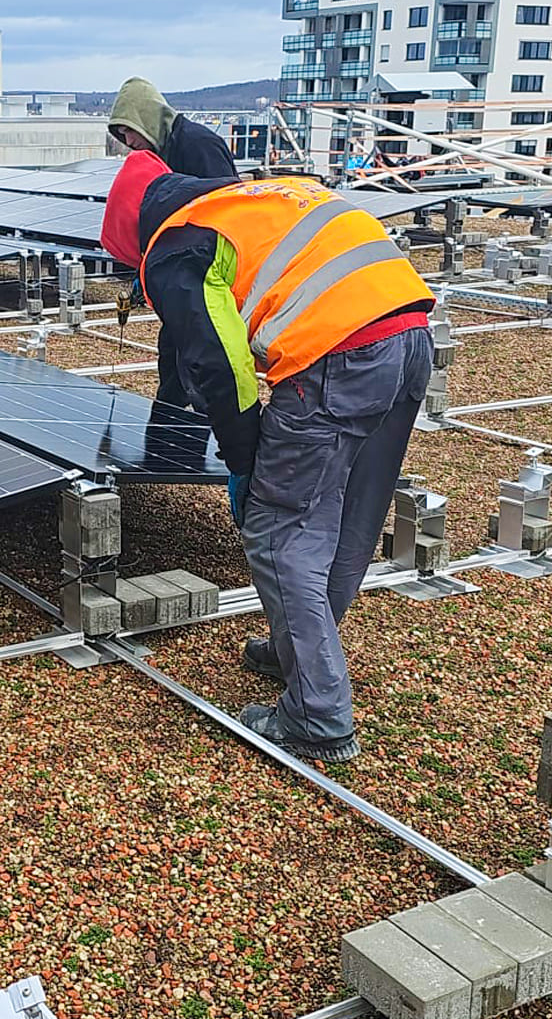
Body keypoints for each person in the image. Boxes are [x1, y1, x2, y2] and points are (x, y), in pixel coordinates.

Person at [100, 150, 436, 763]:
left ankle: (317, 714)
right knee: (351, 517)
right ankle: (295, 656)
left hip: (338, 360)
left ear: (134, 237)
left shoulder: (177, 245)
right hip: (411, 341)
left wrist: (245, 458)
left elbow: (219, 365)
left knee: (282, 532)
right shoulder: (259, 199)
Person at [107, 77, 238, 409]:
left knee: (202, 378)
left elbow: (224, 213)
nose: (129, 141)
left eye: (130, 131)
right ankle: (166, 450)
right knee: (173, 371)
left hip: (205, 283)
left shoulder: (197, 146)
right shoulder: (161, 154)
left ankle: (194, 451)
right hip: (181, 282)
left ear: (147, 117)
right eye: (122, 136)